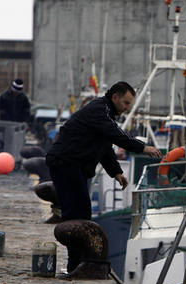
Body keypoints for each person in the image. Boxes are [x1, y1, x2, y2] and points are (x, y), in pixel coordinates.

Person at [45, 81, 160, 273]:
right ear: (114, 97)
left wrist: (116, 172)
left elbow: (105, 148)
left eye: (129, 104)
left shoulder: (104, 114)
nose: (126, 108)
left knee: (81, 213)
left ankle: (78, 263)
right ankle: (76, 264)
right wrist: (142, 147)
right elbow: (116, 136)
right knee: (77, 214)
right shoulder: (99, 110)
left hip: (74, 166)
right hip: (66, 164)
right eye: (125, 103)